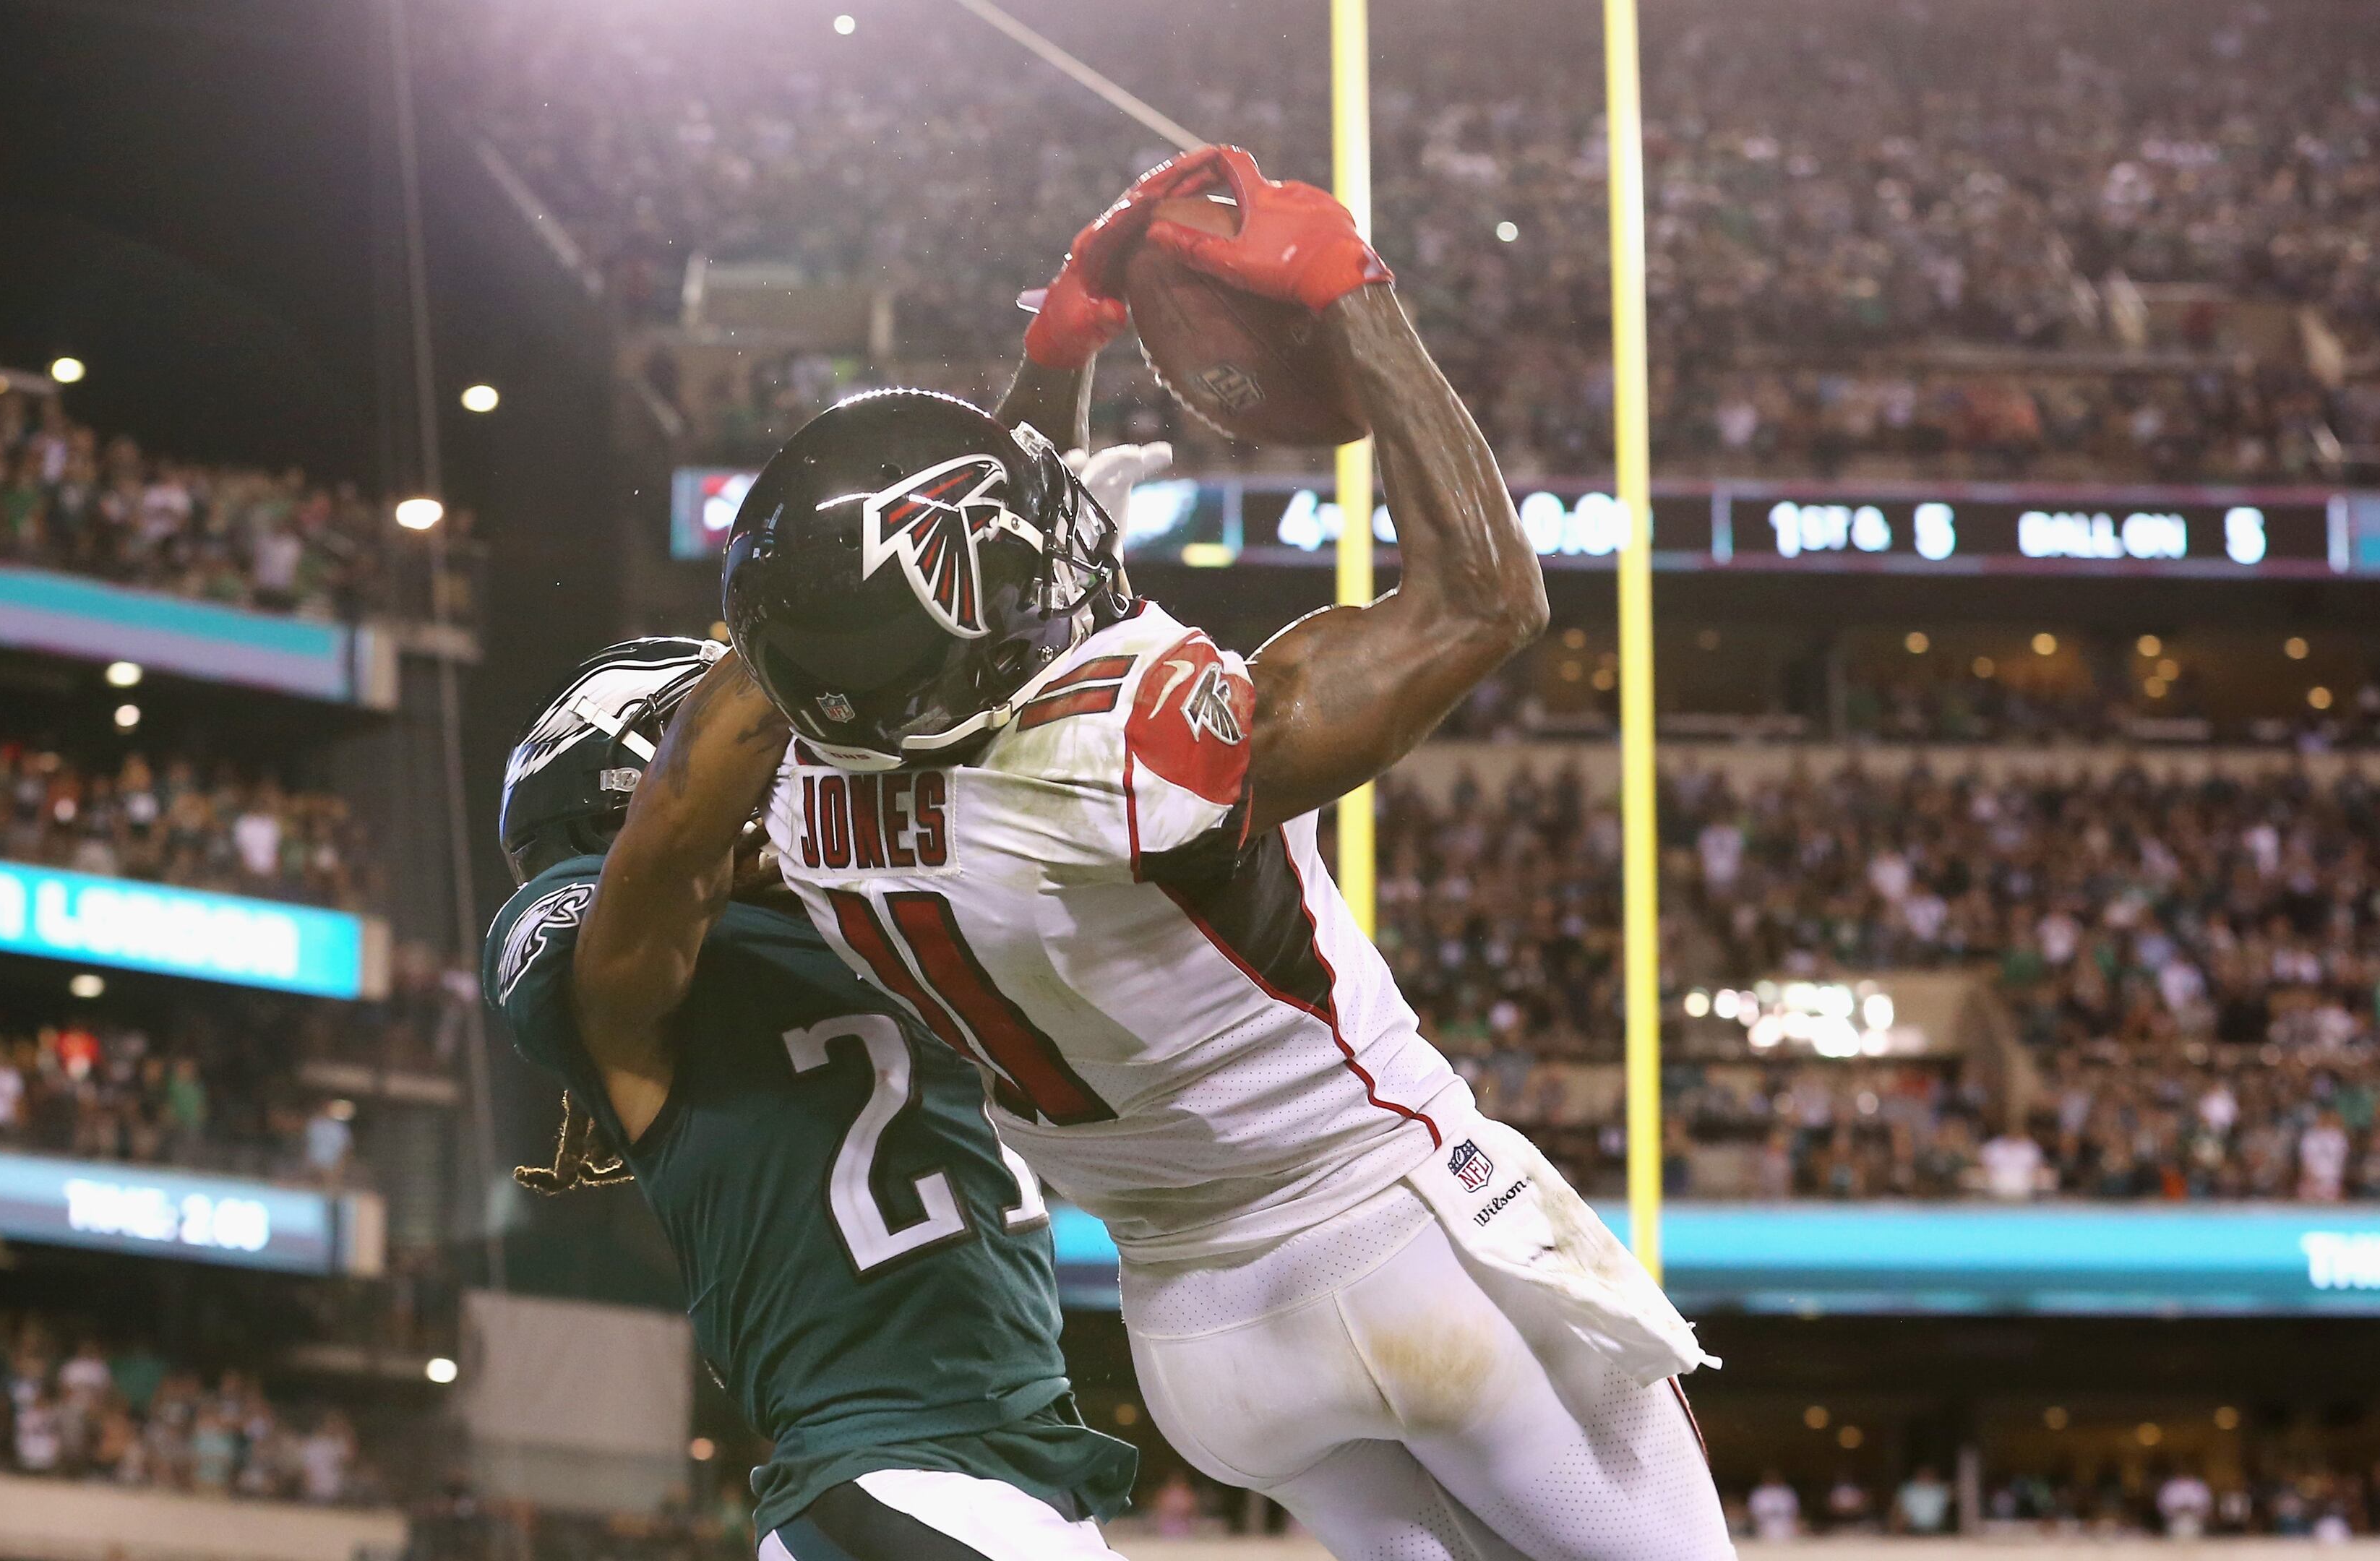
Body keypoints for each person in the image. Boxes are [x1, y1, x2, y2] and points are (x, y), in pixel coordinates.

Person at [687, 145, 1724, 1560]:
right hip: (1397, 1243)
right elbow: (1482, 601)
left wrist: (1059, 354)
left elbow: (930, 601)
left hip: (1197, 1335)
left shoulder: (802, 810)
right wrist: (1356, 294)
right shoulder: (1126, 757)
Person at [484, 638, 1137, 1561]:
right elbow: (664, 872)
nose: (806, 779)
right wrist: (793, 623)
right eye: (773, 755)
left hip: (1012, 1476)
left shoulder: (883, 925)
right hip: (892, 1473)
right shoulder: (598, 935)